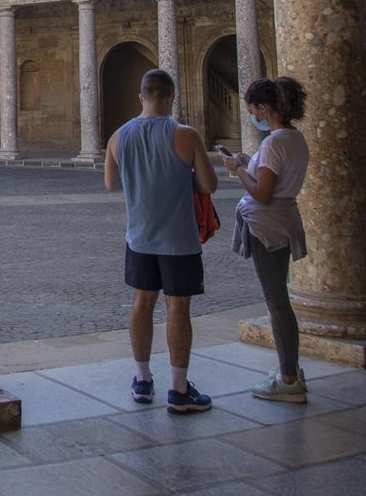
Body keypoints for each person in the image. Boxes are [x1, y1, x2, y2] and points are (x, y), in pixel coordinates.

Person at [104, 68, 219, 413]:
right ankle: (180, 389)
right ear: (170, 97)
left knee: (142, 304)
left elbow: (111, 184)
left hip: (139, 237)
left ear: (141, 97)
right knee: (179, 308)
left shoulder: (117, 137)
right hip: (179, 240)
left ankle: (142, 380)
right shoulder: (185, 135)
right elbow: (209, 185)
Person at [220, 76, 311, 403]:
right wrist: (249, 163)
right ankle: (290, 368)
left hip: (268, 226)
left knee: (277, 302)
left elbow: (263, 192)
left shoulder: (274, 143)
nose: (252, 116)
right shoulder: (294, 139)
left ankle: (288, 378)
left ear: (263, 107)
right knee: (279, 300)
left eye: (252, 110)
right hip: (282, 220)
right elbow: (274, 179)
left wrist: (236, 169)